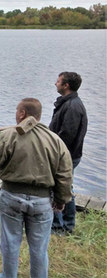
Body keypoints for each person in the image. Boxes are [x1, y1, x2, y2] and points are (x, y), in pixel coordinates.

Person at [0, 98, 72, 278]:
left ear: (22, 114)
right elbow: (65, 174)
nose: (15, 113)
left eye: (16, 110)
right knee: (39, 249)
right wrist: (61, 200)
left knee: (10, 243)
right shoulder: (55, 140)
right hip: (42, 201)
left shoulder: (8, 135)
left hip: (11, 197)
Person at [49, 72, 88, 235]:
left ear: (66, 86)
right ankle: (67, 224)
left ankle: (60, 226)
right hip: (67, 154)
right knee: (65, 187)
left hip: (66, 155)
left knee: (60, 188)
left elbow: (67, 135)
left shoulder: (72, 106)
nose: (55, 84)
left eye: (58, 81)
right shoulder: (68, 103)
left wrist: (54, 154)